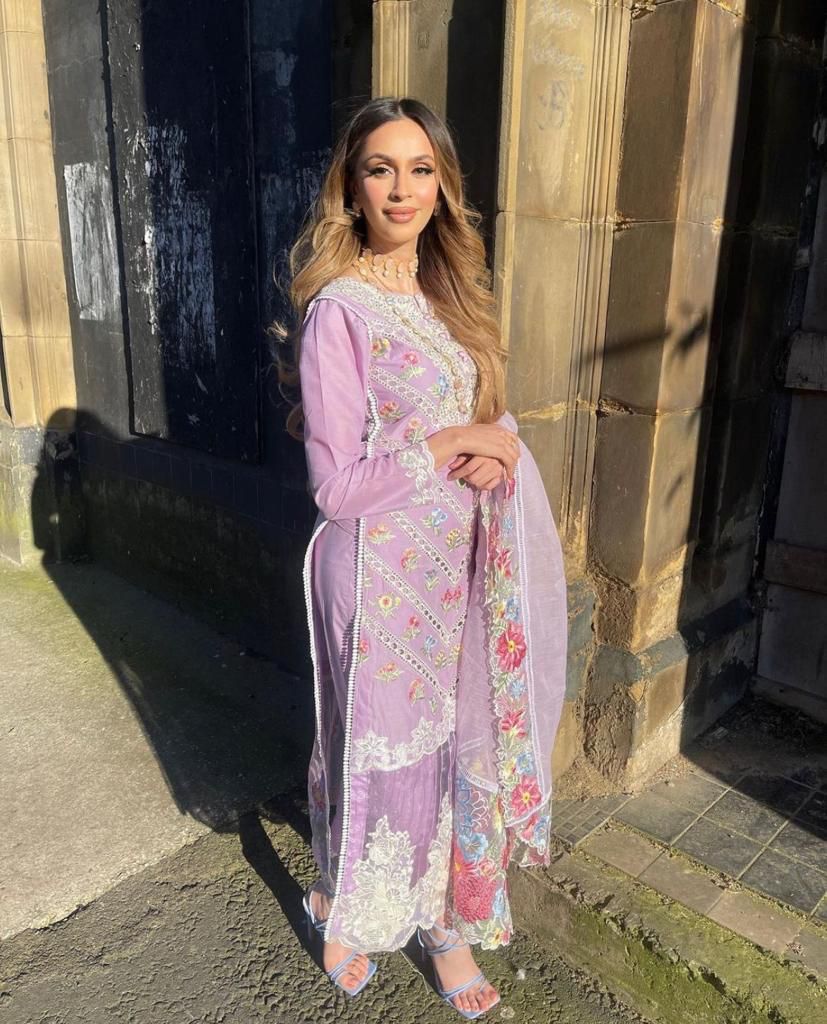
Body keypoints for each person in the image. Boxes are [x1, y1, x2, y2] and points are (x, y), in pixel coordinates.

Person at [272, 96, 567, 1020]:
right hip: (373, 572)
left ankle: (446, 930)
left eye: (420, 170)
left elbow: (483, 417)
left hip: (456, 569)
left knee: (449, 756)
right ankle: (342, 906)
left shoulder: (449, 297)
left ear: (442, 185)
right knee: (377, 755)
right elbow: (335, 488)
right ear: (351, 187)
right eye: (380, 169)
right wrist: (447, 446)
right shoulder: (339, 311)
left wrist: (496, 447)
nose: (401, 190)